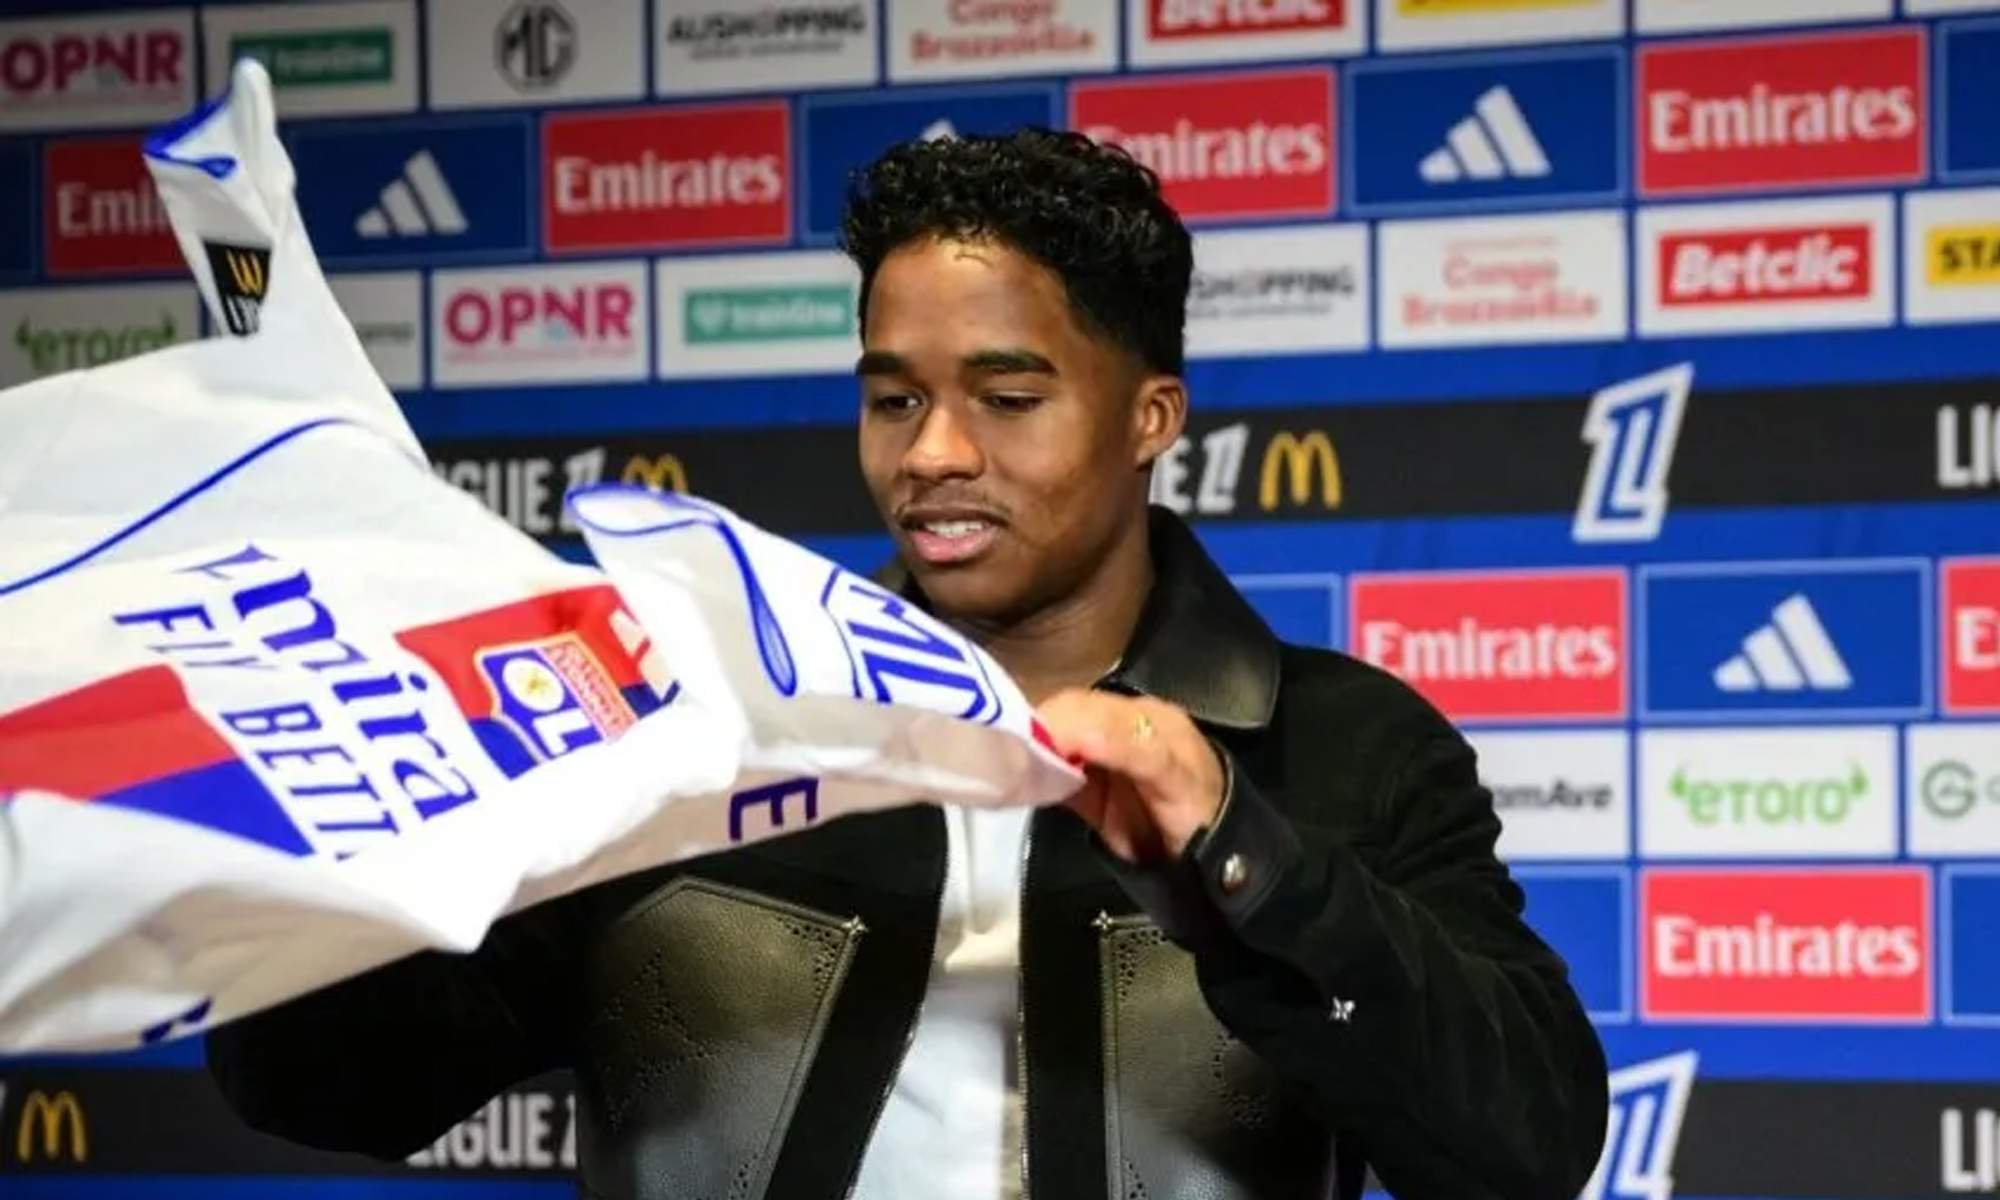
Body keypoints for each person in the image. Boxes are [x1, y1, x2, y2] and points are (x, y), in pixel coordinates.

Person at [206, 129, 1608, 1200]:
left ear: (1149, 417)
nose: (933, 454)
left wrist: (1247, 858)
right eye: (893, 399)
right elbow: (324, 1085)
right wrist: (352, 807)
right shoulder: (698, 719)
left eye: (1006, 398)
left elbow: (1526, 1150)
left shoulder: (1347, 748)